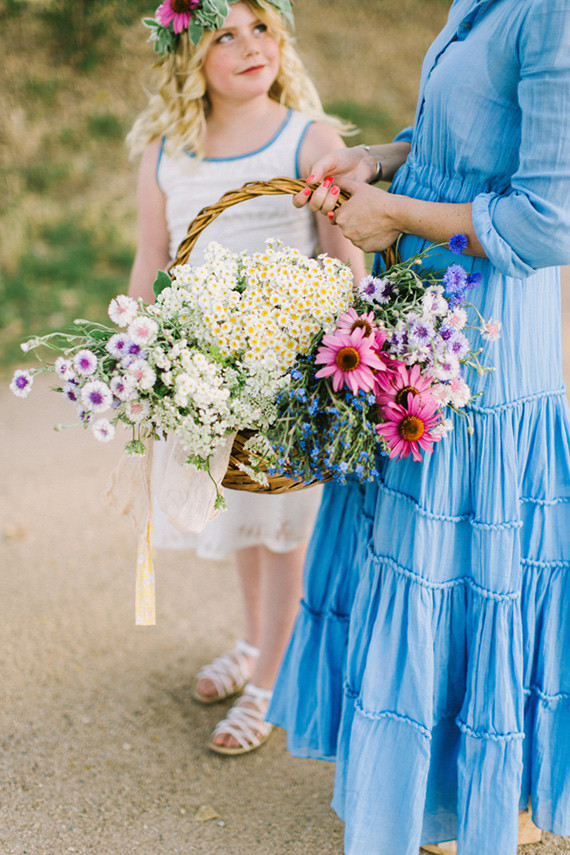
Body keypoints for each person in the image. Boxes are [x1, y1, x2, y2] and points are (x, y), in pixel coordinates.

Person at [268, 0, 570, 852]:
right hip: (427, 317)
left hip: (492, 354)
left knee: (471, 566)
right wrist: (385, 155)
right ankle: (431, 791)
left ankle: (482, 798)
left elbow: (549, 221)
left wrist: (395, 217)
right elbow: (470, 137)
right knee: (418, 559)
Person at [126, 0, 365, 756]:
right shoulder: (169, 151)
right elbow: (152, 259)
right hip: (211, 378)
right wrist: (136, 349)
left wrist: (333, 348)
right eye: (223, 35)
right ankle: (255, 639)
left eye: (260, 27)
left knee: (284, 528)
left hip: (288, 379)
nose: (249, 45)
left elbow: (345, 256)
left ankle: (269, 675)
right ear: (188, 56)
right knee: (242, 521)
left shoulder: (308, 140)